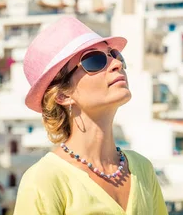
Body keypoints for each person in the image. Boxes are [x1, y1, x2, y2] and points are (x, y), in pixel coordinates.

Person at [13, 16, 168, 214]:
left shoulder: (142, 168)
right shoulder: (44, 179)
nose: (116, 64)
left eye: (115, 55)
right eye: (94, 60)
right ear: (62, 94)